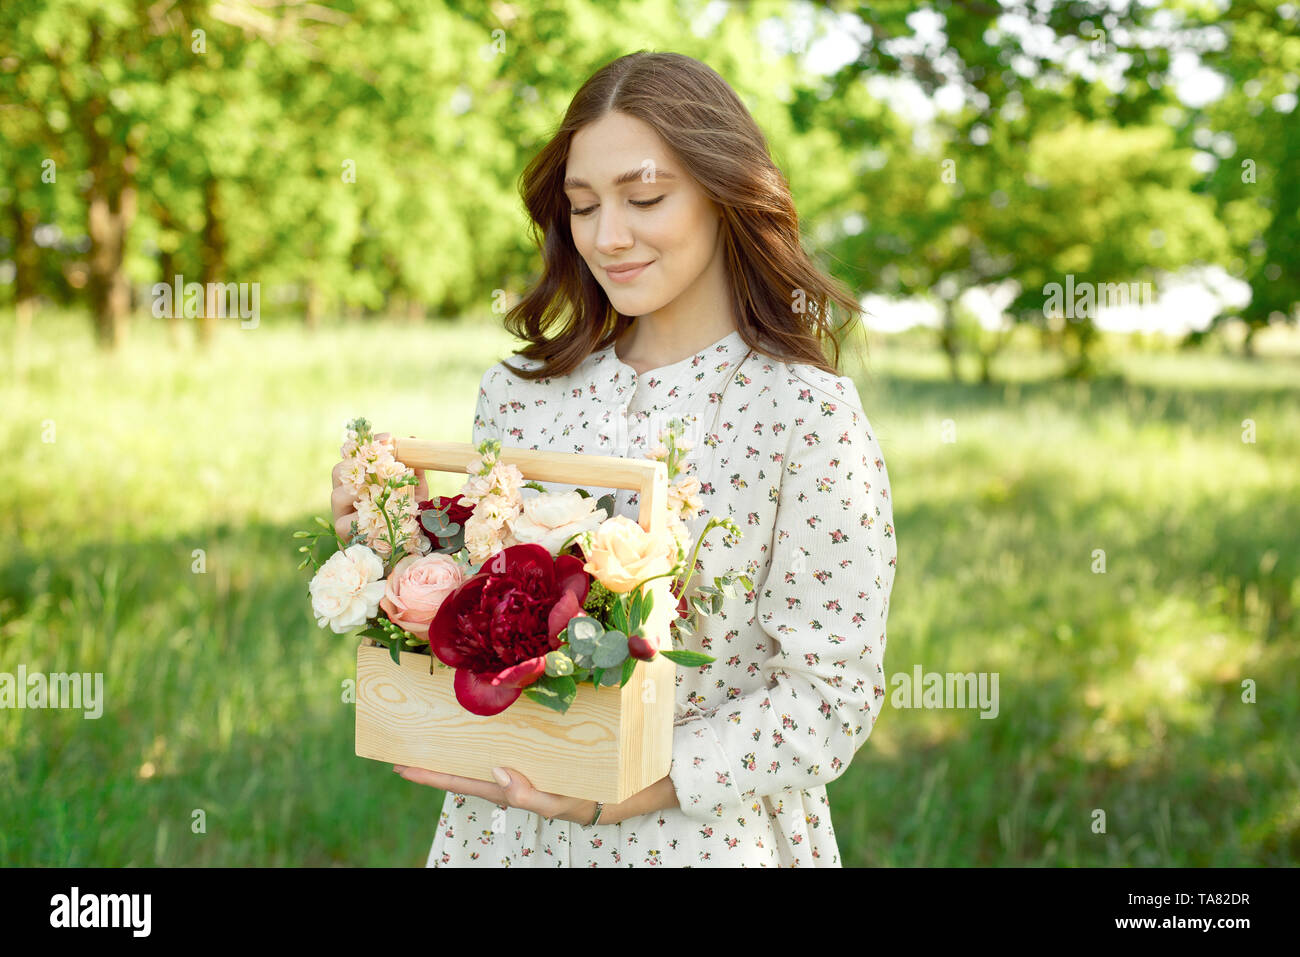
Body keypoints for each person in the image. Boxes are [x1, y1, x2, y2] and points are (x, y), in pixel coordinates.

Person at [330, 50, 897, 866]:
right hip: (506, 835)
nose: (608, 236)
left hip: (703, 836)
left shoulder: (803, 413)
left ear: (722, 190)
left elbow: (831, 699)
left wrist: (631, 786)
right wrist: (387, 540)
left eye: (646, 198)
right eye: (584, 205)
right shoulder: (521, 394)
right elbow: (484, 628)